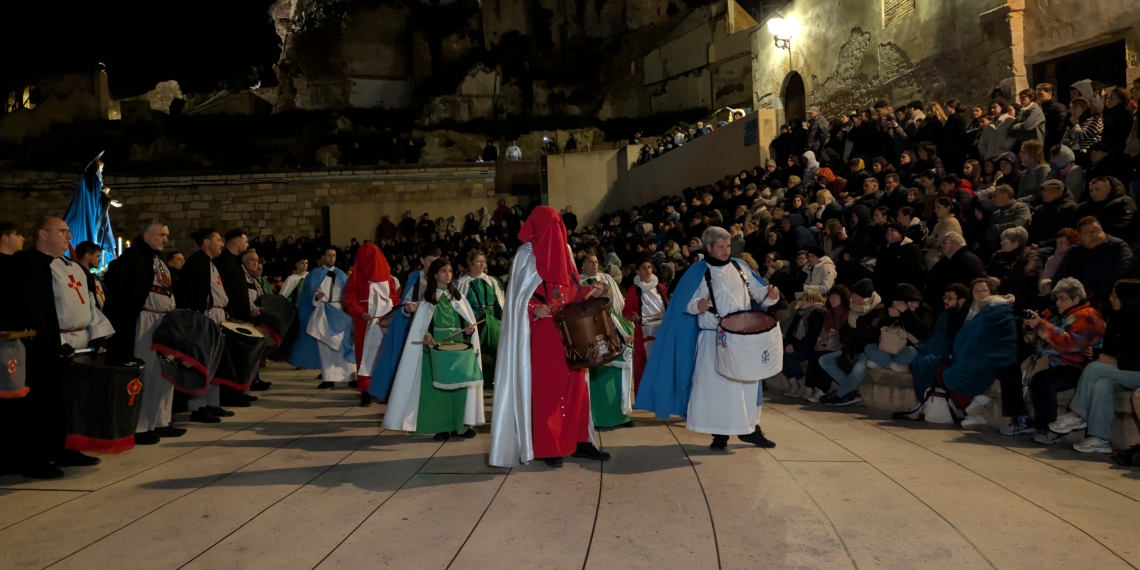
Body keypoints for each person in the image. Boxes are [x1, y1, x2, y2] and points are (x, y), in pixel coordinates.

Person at [636, 226, 780, 450]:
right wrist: (697, 305)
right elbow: (682, 303)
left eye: (728, 246)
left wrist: (770, 295)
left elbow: (758, 294)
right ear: (710, 247)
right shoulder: (698, 271)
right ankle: (719, 434)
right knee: (716, 388)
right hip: (714, 339)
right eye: (721, 247)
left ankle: (751, 429)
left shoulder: (740, 267)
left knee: (746, 385)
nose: (726, 250)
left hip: (742, 340)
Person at [490, 206, 610, 468]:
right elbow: (516, 301)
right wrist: (534, 309)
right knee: (548, 389)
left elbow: (571, 290)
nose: (555, 231)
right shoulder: (525, 255)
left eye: (558, 225)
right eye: (550, 225)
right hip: (543, 331)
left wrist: (590, 290)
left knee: (578, 388)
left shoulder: (565, 250)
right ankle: (550, 446)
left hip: (572, 329)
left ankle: (580, 441)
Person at [14, 217, 115, 478]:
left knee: (74, 402)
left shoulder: (73, 267)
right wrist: (57, 343)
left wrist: (97, 335)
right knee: (44, 403)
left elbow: (89, 303)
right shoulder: (28, 265)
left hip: (79, 342)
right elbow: (35, 310)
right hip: (48, 345)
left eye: (69, 232)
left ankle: (67, 449)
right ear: (42, 234)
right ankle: (36, 459)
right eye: (62, 232)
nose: (69, 237)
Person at [102, 219, 185, 446]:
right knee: (145, 373)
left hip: (164, 321)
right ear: (147, 235)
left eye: (166, 234)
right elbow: (123, 291)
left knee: (164, 372)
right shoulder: (133, 258)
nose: (165, 239)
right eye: (161, 234)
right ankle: (139, 425)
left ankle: (160, 421)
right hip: (145, 321)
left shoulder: (158, 260)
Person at [383, 258, 484, 439]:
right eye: (444, 271)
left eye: (450, 271)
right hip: (437, 347)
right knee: (439, 388)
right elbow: (421, 324)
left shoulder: (458, 298)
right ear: (435, 275)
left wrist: (469, 329)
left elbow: (466, 320)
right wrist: (426, 335)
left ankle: (461, 426)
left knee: (460, 387)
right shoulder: (427, 300)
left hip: (458, 347)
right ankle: (442, 427)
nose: (448, 275)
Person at [996, 278, 1103, 438]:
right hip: (1045, 361)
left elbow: (1070, 344)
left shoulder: (1088, 317)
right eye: (1057, 298)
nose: (1058, 302)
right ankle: (1021, 418)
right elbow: (1032, 342)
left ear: (1076, 299)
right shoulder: (1052, 313)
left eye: (1063, 298)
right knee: (1009, 369)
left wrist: (1040, 325)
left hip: (1075, 366)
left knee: (1043, 380)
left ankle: (1048, 430)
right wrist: (1029, 329)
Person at [1048, 280, 1140, 453]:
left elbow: (1127, 357)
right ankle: (1100, 439)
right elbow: (1112, 351)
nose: (1110, 298)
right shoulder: (1115, 318)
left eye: (1115, 295)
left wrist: (1116, 361)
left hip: (1135, 372)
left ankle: (1077, 415)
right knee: (1102, 385)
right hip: (1123, 373)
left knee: (1095, 368)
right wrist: (1098, 354)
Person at [938, 277, 1019, 427]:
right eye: (977, 291)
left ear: (991, 292)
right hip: (975, 356)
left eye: (984, 290)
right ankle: (973, 411)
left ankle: (974, 409)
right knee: (940, 369)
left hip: (992, 358)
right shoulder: (975, 310)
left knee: (948, 374)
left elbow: (992, 340)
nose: (981, 293)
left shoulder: (998, 309)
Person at [172, 229, 233, 424]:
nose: (221, 243)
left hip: (216, 314)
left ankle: (212, 403)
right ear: (207, 242)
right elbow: (191, 292)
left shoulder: (209, 263)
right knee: (202, 361)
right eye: (218, 240)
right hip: (204, 315)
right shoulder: (196, 263)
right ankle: (197, 406)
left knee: (214, 361)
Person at [370, 244, 440, 402]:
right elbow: (405, 302)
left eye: (437, 261)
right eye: (431, 261)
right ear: (422, 260)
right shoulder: (415, 277)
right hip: (413, 325)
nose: (434, 265)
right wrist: (407, 309)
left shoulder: (440, 276)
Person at [893, 283, 970, 420]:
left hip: (954, 353)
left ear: (961, 301)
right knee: (921, 359)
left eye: (949, 298)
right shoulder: (946, 314)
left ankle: (926, 402)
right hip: (939, 348)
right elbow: (937, 335)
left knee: (931, 362)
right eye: (944, 297)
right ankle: (921, 402)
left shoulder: (966, 316)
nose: (945, 301)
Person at [343, 242, 397, 407]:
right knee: (364, 356)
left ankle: (381, 389)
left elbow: (394, 297)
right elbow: (349, 300)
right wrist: (360, 312)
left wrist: (392, 313)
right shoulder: (356, 278)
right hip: (365, 322)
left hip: (384, 320)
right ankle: (365, 391)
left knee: (383, 354)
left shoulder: (388, 278)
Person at [817, 278, 886, 406]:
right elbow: (845, 333)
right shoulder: (853, 311)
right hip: (852, 349)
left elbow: (868, 334)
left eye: (855, 294)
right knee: (824, 360)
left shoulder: (878, 311)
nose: (851, 297)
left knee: (858, 370)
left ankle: (839, 393)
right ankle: (851, 391)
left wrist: (853, 334)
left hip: (866, 351)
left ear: (864, 297)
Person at [294, 247, 355, 389]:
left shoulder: (341, 274)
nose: (331, 258)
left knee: (343, 344)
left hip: (339, 311)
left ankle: (351, 377)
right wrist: (316, 296)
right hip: (323, 311)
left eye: (334, 255)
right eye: (328, 255)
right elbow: (307, 293)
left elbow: (348, 293)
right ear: (323, 257)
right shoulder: (314, 274)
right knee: (325, 347)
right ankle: (328, 378)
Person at [1054, 217, 1134, 311]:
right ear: (1079, 236)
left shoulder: (1118, 247)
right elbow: (1061, 275)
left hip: (1109, 297)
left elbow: (1125, 272)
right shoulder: (1074, 251)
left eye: (1097, 230)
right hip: (1079, 298)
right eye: (1087, 232)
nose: (1093, 235)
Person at [457, 249, 504, 387]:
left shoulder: (492, 281)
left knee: (492, 353)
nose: (482, 264)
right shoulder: (462, 283)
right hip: (473, 322)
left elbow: (501, 304)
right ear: (470, 263)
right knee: (477, 353)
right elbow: (459, 306)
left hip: (491, 321)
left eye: (484, 261)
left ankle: (489, 382)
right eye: (479, 261)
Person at [622, 260, 668, 391]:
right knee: (644, 364)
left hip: (662, 329)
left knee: (662, 362)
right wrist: (633, 315)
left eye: (649, 267)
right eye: (643, 268)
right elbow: (626, 311)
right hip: (644, 331)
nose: (647, 270)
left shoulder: (661, 288)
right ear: (638, 272)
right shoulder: (633, 290)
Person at [780, 291, 826, 399]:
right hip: (798, 344)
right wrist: (789, 343)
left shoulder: (816, 313)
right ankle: (794, 385)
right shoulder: (801, 313)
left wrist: (795, 347)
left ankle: (802, 384)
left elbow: (812, 335)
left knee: (790, 358)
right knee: (781, 357)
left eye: (806, 299)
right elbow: (790, 329)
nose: (802, 301)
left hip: (810, 346)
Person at [924, 232, 985, 312]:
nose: (941, 245)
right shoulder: (948, 259)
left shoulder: (968, 261)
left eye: (945, 242)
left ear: (955, 244)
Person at [985, 227, 1042, 312]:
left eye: (1004, 241)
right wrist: (988, 278)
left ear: (1015, 244)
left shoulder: (1031, 256)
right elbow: (986, 271)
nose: (1001, 243)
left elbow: (1029, 274)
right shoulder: (999, 255)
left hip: (1020, 300)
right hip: (997, 296)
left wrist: (1002, 281)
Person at [872, 222, 928, 295]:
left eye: (893, 230)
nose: (889, 232)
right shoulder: (885, 250)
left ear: (901, 234)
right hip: (885, 290)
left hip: (904, 290)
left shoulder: (912, 249)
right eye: (888, 230)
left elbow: (920, 271)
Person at [1074, 176, 1135, 241]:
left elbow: (1124, 226)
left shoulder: (1124, 202)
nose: (1093, 193)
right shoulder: (1086, 206)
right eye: (1091, 190)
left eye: (1097, 189)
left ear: (1109, 188)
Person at [73, 241, 107, 311]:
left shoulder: (90, 276)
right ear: (88, 256)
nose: (100, 259)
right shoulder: (80, 276)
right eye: (97, 256)